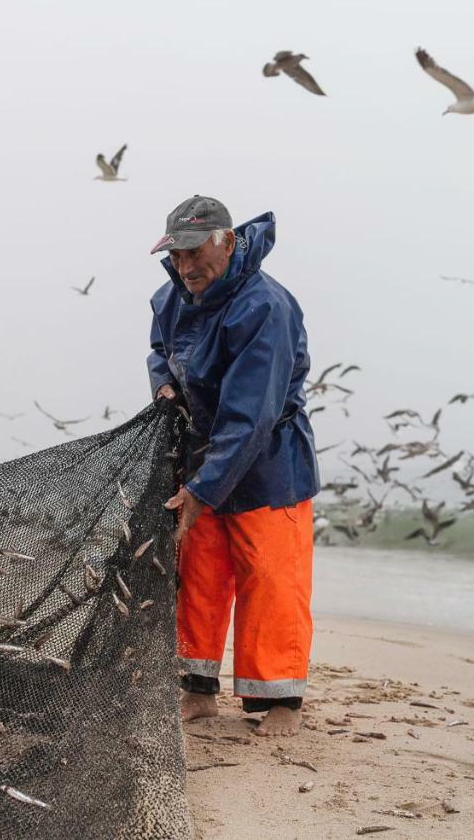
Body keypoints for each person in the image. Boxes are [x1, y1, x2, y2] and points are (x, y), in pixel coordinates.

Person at [146, 196, 320, 737]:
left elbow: (253, 413)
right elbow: (160, 350)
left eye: (195, 252)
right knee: (198, 576)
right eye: (177, 255)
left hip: (270, 463)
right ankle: (197, 691)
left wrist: (203, 490)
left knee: (270, 577)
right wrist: (164, 384)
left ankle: (282, 701)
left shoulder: (264, 306)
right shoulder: (173, 296)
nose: (186, 266)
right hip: (202, 451)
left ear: (226, 240)